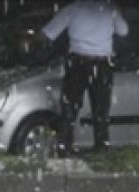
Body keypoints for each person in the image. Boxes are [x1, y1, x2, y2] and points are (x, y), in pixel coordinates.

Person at [41, 0, 129, 156]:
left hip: (78, 62)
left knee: (70, 107)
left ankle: (66, 146)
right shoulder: (109, 9)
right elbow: (123, 31)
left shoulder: (74, 8)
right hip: (102, 64)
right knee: (101, 108)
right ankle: (101, 146)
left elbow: (48, 33)